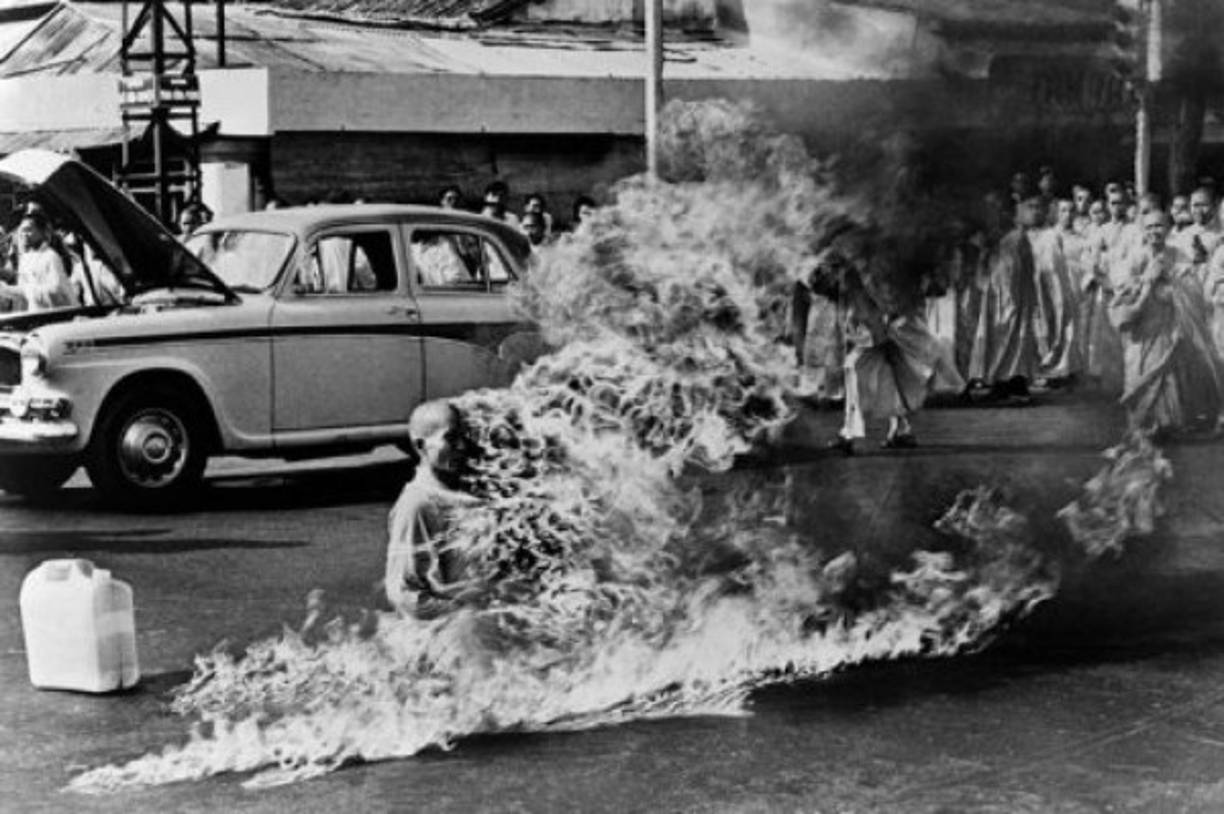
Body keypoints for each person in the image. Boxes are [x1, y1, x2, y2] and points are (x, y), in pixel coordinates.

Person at [828, 253, 962, 455]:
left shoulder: (862, 269)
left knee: (855, 369)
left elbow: (875, 305)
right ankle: (901, 430)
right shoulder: (871, 264)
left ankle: (849, 433)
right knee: (890, 376)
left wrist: (877, 330)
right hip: (887, 332)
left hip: (885, 332)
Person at [1110, 210, 1224, 434]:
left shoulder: (1177, 254)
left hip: (1169, 321)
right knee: (1141, 366)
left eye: (1159, 226)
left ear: (1169, 229)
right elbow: (1122, 288)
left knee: (1169, 369)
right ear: (1143, 230)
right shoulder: (1135, 256)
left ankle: (1167, 420)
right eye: (1150, 227)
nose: (1154, 232)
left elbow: (1193, 286)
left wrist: (1171, 282)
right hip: (1144, 323)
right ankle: (1144, 420)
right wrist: (1146, 281)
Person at [385, 400, 484, 613]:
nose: (462, 447)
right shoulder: (417, 505)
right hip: (454, 632)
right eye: (451, 438)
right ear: (420, 446)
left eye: (464, 437)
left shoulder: (463, 493)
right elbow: (405, 595)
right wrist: (466, 617)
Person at [968, 196, 1043, 401]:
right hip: (995, 294)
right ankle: (1001, 380)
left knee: (1012, 335)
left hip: (1012, 297)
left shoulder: (1016, 238)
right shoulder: (996, 239)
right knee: (997, 335)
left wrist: (1014, 298)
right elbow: (987, 268)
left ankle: (1011, 381)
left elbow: (1020, 271)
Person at [1031, 199, 1084, 381]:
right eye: (1063, 211)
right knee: (1052, 323)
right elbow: (1040, 264)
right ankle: (1051, 365)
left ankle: (1067, 368)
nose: (1067, 215)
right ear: (1057, 213)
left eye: (1070, 211)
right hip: (1052, 288)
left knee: (1072, 327)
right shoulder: (1047, 237)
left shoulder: (1080, 238)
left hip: (1075, 287)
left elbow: (1085, 263)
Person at [0, 210, 78, 312]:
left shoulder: (51, 257)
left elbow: (58, 292)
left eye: (28, 230)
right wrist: (5, 290)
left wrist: (27, 291)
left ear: (42, 232)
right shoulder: (25, 260)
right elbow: (22, 294)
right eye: (22, 231)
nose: (24, 234)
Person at [1170, 187, 1222, 288]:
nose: (1199, 210)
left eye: (1203, 205)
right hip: (1189, 293)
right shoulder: (1183, 236)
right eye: (1195, 205)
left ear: (1214, 206)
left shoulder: (1220, 234)